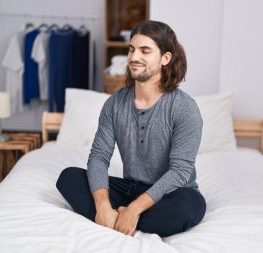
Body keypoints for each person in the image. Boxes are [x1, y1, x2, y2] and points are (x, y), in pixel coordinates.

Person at [56, 20, 206, 238]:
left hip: (170, 194)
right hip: (130, 189)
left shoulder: (184, 108)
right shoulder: (115, 104)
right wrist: (103, 205)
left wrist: (135, 209)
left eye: (145, 51)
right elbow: (99, 156)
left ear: (165, 58)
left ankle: (125, 218)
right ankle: (116, 216)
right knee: (68, 178)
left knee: (191, 206)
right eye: (132, 49)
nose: (134, 58)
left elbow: (180, 171)